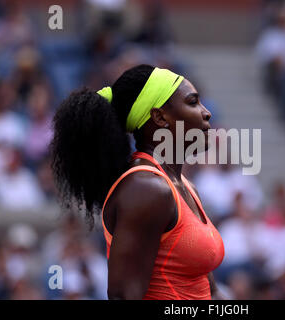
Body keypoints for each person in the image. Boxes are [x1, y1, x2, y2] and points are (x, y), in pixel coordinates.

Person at [50, 64, 224, 300]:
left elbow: (210, 291)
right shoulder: (147, 189)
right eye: (193, 102)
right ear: (159, 116)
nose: (206, 112)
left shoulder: (186, 187)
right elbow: (123, 296)